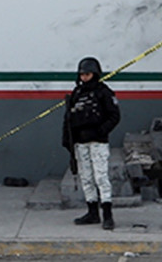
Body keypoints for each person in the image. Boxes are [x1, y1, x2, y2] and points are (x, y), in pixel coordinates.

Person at [62, 56, 121, 230]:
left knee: (101, 178)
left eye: (87, 74)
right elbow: (69, 118)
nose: (84, 77)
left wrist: (101, 131)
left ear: (95, 74)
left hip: (98, 142)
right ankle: (92, 213)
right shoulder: (77, 93)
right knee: (86, 178)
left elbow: (114, 116)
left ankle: (107, 215)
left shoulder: (104, 92)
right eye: (82, 74)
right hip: (80, 143)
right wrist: (67, 139)